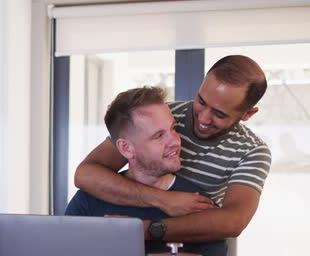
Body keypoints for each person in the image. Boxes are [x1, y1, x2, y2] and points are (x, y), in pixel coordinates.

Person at [74, 55, 271, 243]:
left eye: (219, 114)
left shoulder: (253, 151)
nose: (202, 118)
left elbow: (233, 221)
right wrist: (163, 200)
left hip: (195, 240)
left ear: (248, 114)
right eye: (201, 101)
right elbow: (85, 174)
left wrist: (146, 229)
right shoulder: (163, 115)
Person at [65, 86, 227, 256]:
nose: (175, 142)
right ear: (126, 149)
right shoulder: (88, 200)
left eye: (173, 129)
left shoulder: (201, 205)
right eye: (159, 136)